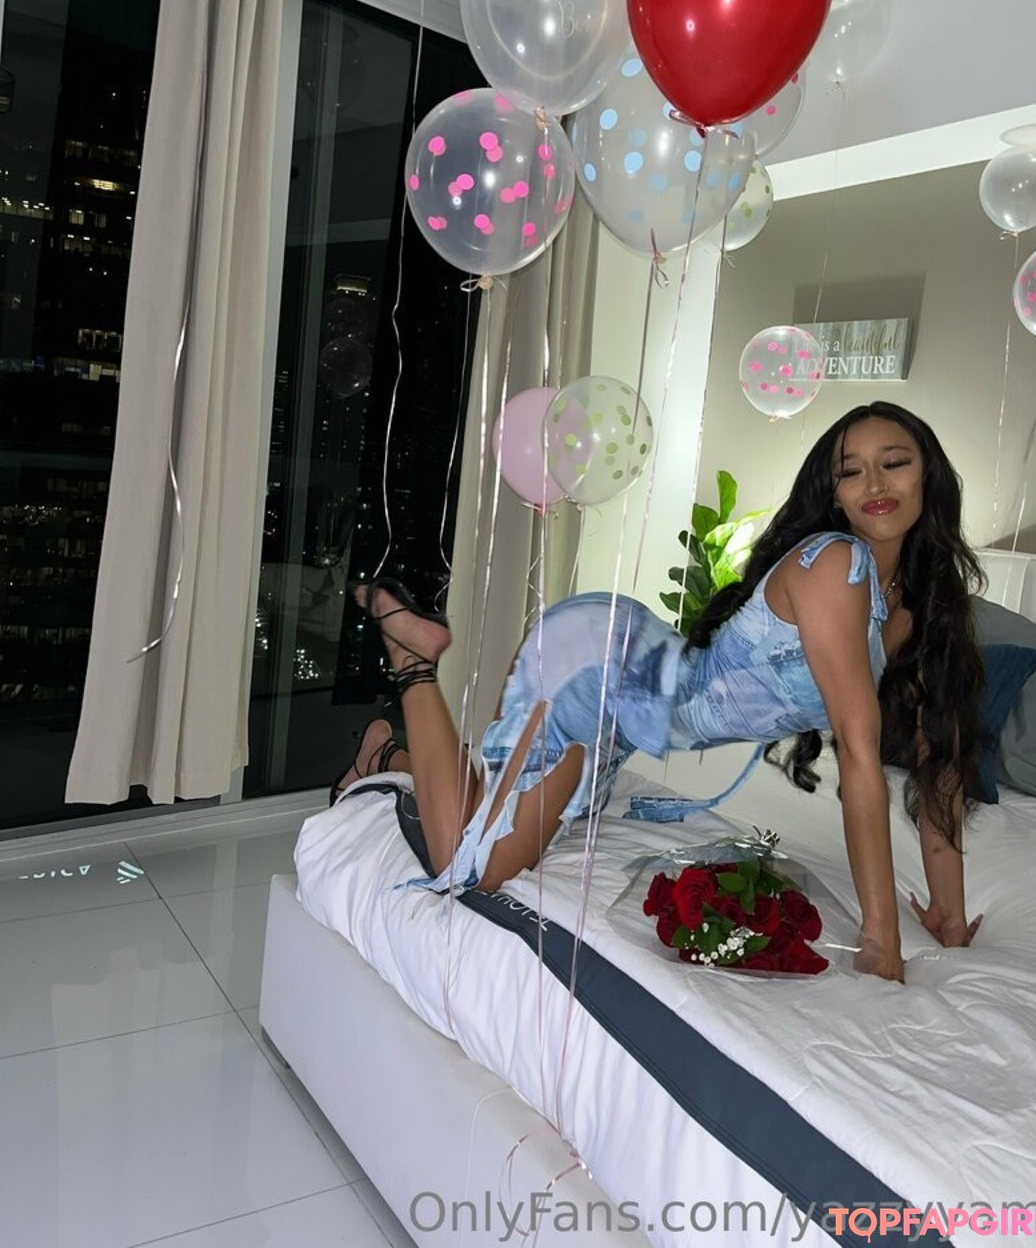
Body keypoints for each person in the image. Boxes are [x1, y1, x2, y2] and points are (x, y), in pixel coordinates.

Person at [334, 401, 987, 983]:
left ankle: (386, 754)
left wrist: (949, 917)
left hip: (628, 713)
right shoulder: (835, 564)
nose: (874, 484)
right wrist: (880, 939)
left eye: (894, 463)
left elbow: (940, 764)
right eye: (851, 471)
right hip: (598, 667)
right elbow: (859, 750)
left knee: (525, 823)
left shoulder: (915, 610)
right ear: (835, 495)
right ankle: (412, 661)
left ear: (926, 476)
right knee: (474, 864)